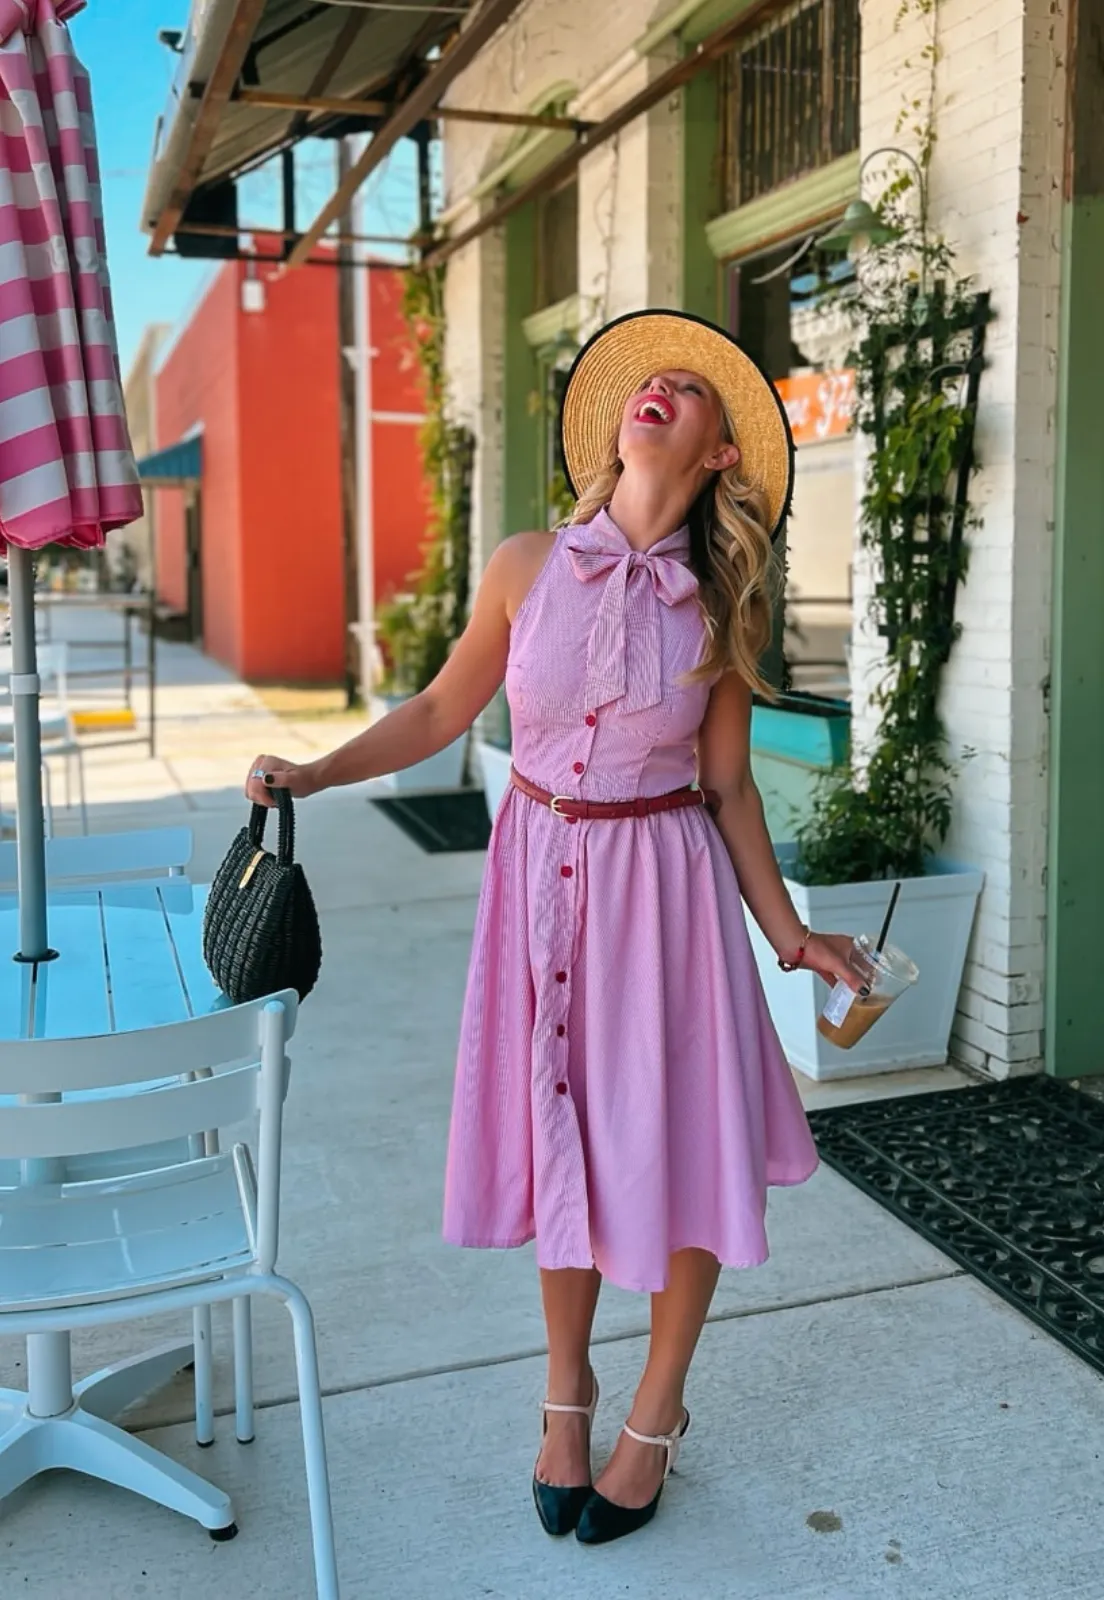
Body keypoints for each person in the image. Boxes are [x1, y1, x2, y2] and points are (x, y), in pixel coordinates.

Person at [245, 309, 861, 1548]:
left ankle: (657, 1407)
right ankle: (565, 1395)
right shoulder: (528, 564)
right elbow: (435, 712)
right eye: (653, 380)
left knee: (684, 1148)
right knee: (560, 1132)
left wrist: (790, 937)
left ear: (720, 455)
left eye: (692, 392)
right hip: (538, 880)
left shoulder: (724, 599)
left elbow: (731, 786)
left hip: (667, 895)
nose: (664, 390)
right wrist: (314, 773)